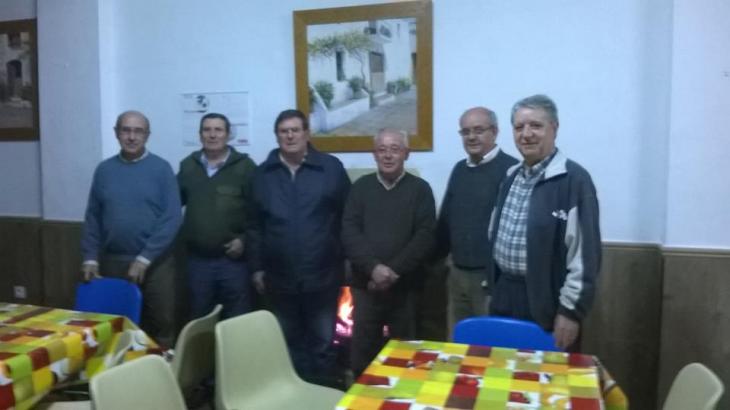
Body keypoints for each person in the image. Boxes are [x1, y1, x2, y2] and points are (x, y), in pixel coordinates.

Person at [489, 94, 601, 351]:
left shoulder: (574, 181)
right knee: (502, 369)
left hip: (547, 303)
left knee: (546, 374)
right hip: (505, 294)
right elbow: (494, 232)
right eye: (519, 127)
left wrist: (570, 312)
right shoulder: (510, 176)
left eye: (536, 126)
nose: (526, 134)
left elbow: (585, 257)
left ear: (554, 128)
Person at [249, 109, 350, 385]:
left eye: (295, 130)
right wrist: (257, 268)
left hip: (323, 275)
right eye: (284, 131)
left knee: (322, 343)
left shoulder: (330, 168)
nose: (290, 136)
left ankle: (323, 393)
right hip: (279, 279)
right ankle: (295, 394)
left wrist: (345, 261)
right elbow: (254, 225)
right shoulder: (263, 174)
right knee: (288, 343)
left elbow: (347, 218)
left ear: (307, 133)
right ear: (277, 136)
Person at [80, 110, 182, 348]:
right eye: (126, 130)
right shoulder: (104, 170)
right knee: (117, 326)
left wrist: (145, 258)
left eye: (138, 131)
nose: (132, 137)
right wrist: (90, 257)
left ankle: (160, 370)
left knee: (161, 324)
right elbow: (93, 217)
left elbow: (172, 218)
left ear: (147, 135)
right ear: (116, 133)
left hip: (156, 263)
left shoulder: (161, 169)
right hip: (113, 261)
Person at [341, 129, 436, 376]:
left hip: (405, 289)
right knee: (363, 356)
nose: (388, 155)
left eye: (395, 149)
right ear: (374, 154)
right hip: (366, 287)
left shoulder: (420, 189)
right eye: (382, 149)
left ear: (406, 153)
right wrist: (373, 268)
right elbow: (349, 232)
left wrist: (392, 272)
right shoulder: (361, 187)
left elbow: (425, 236)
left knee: (406, 356)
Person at [436, 107, 518, 334]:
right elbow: (446, 218)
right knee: (458, 341)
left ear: (495, 131)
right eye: (465, 132)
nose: (471, 137)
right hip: (457, 274)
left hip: (491, 278)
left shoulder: (512, 169)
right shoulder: (459, 169)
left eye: (478, 130)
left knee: (490, 343)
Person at [177, 113, 257, 320]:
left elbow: (259, 213)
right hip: (197, 262)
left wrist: (244, 240)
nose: (212, 135)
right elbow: (172, 205)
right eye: (207, 130)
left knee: (238, 321)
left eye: (218, 130)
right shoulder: (188, 166)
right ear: (200, 135)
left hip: (233, 263)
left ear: (228, 135)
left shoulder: (246, 167)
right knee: (198, 321)